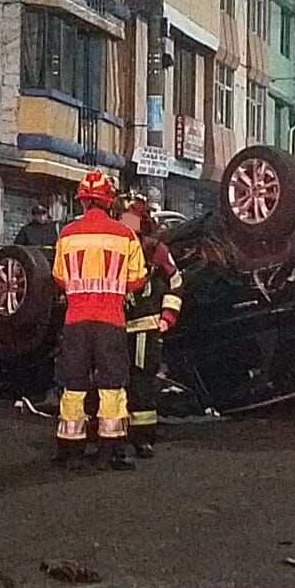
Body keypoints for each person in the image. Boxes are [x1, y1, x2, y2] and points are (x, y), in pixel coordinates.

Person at [51, 170, 147, 470]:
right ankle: (110, 450)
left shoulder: (67, 234)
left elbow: (59, 278)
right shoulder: (125, 234)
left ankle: (71, 450)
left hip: (76, 320)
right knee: (111, 386)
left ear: (82, 201)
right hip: (111, 321)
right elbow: (138, 281)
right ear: (109, 202)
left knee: (74, 385)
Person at [120, 197, 183, 460]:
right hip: (114, 326)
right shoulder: (118, 245)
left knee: (142, 382)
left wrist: (167, 316)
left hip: (144, 327)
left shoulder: (154, 249)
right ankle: (114, 434)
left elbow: (175, 283)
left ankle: (142, 437)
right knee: (114, 382)